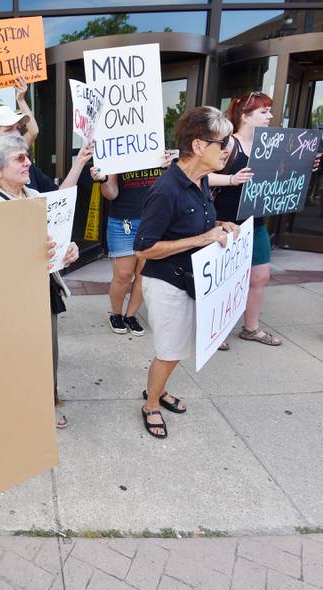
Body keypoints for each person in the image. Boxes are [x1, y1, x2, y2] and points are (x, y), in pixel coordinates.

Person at [134, 107, 239, 439]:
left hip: (191, 280)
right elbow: (143, 248)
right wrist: (202, 238)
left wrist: (219, 225)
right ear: (197, 146)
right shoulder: (166, 190)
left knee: (176, 348)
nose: (228, 150)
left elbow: (201, 223)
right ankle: (151, 404)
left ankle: (159, 389)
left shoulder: (201, 179)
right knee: (169, 350)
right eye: (223, 143)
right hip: (167, 282)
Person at [0, 134, 79, 429]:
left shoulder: (36, 197)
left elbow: (56, 242)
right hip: (8, 299)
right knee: (16, 354)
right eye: (19, 158)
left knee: (47, 352)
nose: (28, 162)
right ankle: (17, 410)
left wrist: (68, 251)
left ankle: (46, 405)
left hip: (43, 290)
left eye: (27, 156)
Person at [208, 92, 278, 349]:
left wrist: (303, 167)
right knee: (223, 280)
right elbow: (200, 174)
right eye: (263, 112)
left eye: (269, 111)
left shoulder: (268, 145)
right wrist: (231, 179)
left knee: (260, 275)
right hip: (224, 222)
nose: (270, 116)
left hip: (255, 222)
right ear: (245, 116)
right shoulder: (228, 144)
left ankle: (251, 328)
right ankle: (215, 331)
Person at [0, 101, 92, 208]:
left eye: (17, 128)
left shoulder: (32, 187)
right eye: (8, 129)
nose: (17, 134)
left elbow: (58, 198)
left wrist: (80, 160)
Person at [90, 155, 174, 336]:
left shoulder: (158, 150)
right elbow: (111, 193)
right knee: (123, 274)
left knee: (144, 274)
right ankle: (116, 314)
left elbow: (172, 187)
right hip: (123, 220)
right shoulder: (118, 152)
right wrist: (104, 179)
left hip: (154, 220)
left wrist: (171, 168)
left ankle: (131, 315)